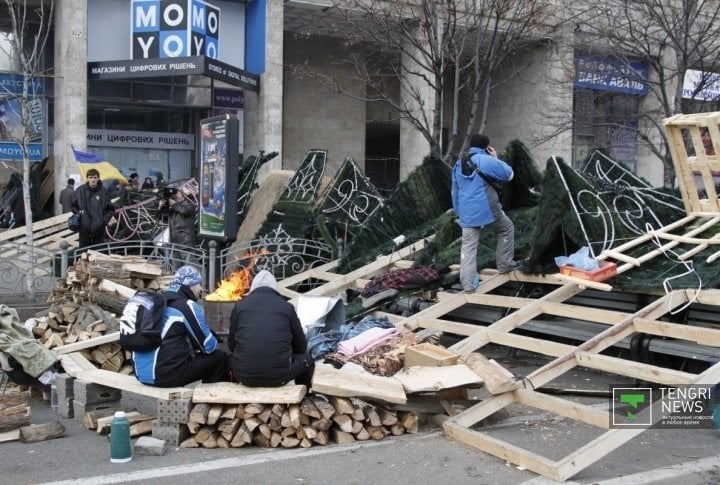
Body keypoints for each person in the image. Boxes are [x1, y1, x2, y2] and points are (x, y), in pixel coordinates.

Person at [132, 266, 227, 387]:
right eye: (199, 284)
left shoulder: (156, 301)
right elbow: (209, 347)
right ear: (191, 285)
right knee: (219, 357)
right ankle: (209, 399)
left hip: (140, 374)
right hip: (165, 376)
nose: (201, 288)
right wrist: (212, 336)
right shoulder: (187, 305)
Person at [451, 133, 517, 293]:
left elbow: (454, 191)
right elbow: (509, 174)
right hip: (487, 209)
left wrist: (460, 213)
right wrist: (495, 158)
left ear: (470, 146)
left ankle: (468, 285)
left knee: (468, 247)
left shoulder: (458, 164)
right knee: (506, 228)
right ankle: (505, 265)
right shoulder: (485, 160)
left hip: (466, 212)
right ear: (486, 147)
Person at [228, 270, 314, 387]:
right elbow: (301, 346)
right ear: (275, 289)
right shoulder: (287, 307)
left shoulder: (239, 306)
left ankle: (232, 392)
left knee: (226, 359)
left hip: (244, 377)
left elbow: (231, 346)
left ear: (253, 288)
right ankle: (304, 397)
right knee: (307, 358)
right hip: (279, 377)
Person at [71, 168, 115, 249]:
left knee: (98, 255)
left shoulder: (104, 192)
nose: (93, 180)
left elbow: (110, 209)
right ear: (87, 178)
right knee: (83, 254)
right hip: (84, 229)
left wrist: (103, 221)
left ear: (98, 178)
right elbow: (74, 206)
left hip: (98, 230)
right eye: (91, 177)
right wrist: (80, 216)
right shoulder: (80, 190)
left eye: (95, 177)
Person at [158, 188, 198, 271]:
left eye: (178, 194)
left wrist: (174, 204)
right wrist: (160, 207)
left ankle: (199, 282)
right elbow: (161, 219)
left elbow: (184, 211)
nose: (175, 196)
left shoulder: (190, 204)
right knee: (177, 268)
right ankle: (179, 283)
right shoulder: (173, 208)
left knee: (190, 265)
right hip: (174, 242)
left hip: (185, 242)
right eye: (174, 195)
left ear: (184, 196)